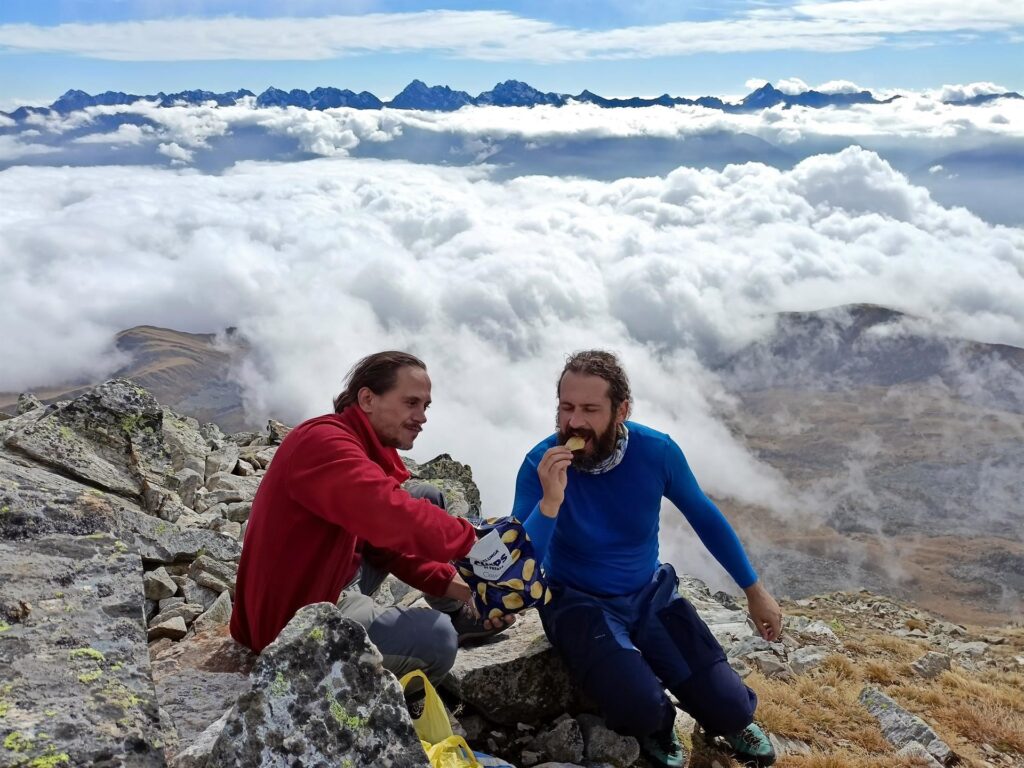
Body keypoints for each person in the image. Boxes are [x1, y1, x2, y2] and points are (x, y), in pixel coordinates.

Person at [512, 350, 782, 768]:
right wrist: (550, 502)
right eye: (566, 408)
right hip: (577, 601)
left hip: (648, 593)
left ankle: (721, 718)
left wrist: (753, 589)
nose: (574, 422)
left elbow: (704, 517)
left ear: (622, 410)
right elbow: (522, 562)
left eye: (589, 409)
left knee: (729, 705)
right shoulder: (540, 464)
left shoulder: (656, 452)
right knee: (638, 706)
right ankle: (657, 724)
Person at [231, 350, 512, 689]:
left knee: (425, 497)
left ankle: (462, 612)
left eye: (425, 406)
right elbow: (392, 516)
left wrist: (463, 588)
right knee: (436, 639)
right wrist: (473, 542)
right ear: (367, 398)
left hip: (330, 577)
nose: (422, 416)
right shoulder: (323, 443)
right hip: (292, 624)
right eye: (411, 403)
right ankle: (383, 705)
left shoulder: (363, 447)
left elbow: (384, 547)